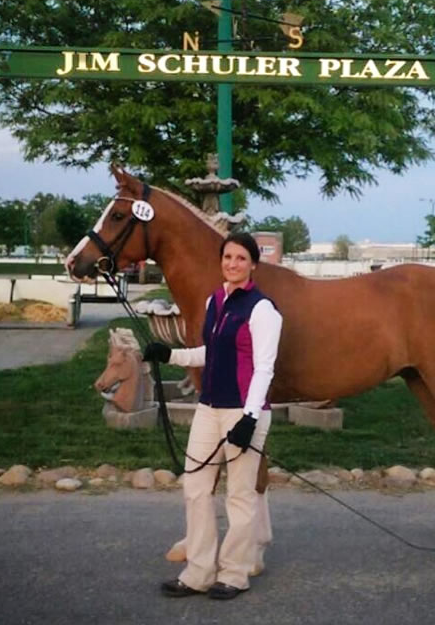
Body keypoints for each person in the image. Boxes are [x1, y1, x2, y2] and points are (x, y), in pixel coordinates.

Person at [148, 232, 282, 600]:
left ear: (253, 264)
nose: (233, 264)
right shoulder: (215, 301)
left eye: (241, 258)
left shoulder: (262, 309)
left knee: (239, 495)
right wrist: (170, 355)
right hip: (209, 408)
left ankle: (235, 573)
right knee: (195, 488)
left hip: (243, 411)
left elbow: (264, 369)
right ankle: (199, 572)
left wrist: (250, 418)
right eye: (228, 257)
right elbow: (211, 352)